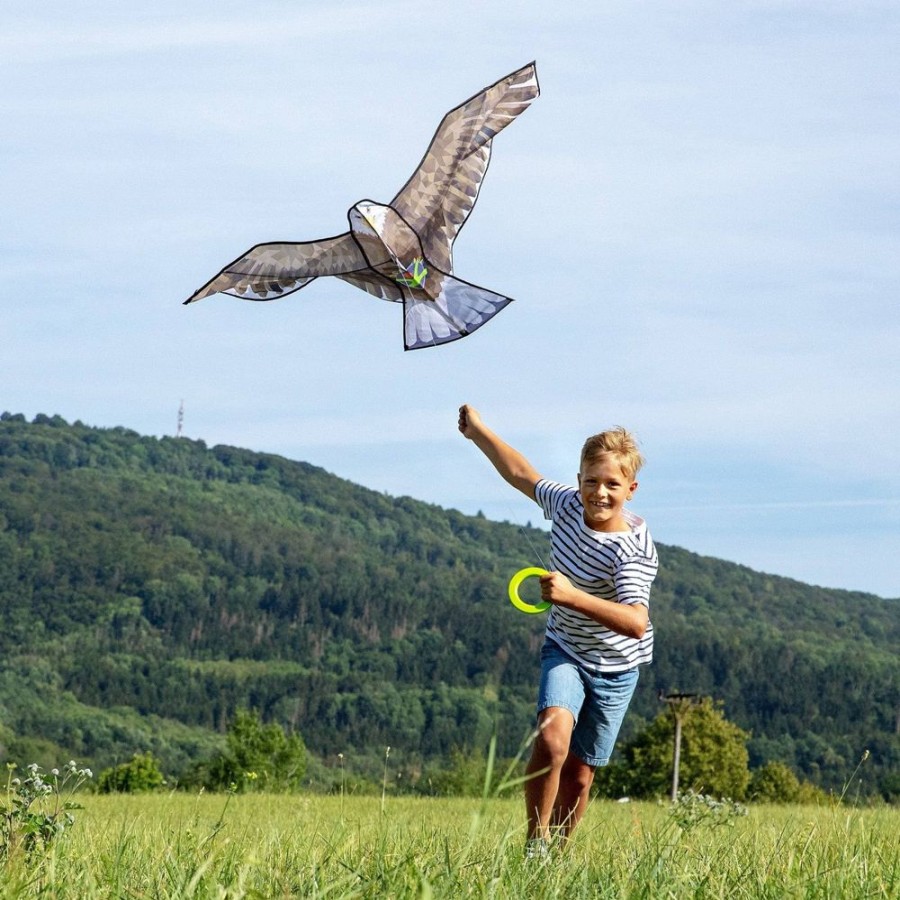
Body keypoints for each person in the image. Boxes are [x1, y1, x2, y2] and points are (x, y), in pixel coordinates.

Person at [457, 404, 658, 857]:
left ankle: (561, 856)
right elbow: (521, 472)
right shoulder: (567, 506)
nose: (599, 493)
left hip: (615, 668)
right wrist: (479, 432)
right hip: (565, 649)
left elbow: (635, 621)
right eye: (591, 481)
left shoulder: (632, 550)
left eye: (612, 484)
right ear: (579, 479)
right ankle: (536, 844)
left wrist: (571, 596)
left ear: (631, 488)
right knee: (551, 741)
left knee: (582, 773)